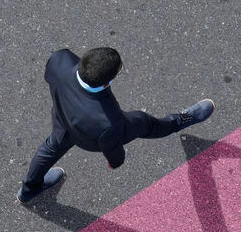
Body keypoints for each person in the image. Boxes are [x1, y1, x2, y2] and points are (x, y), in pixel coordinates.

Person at [17, 46, 214, 203]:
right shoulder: (109, 121)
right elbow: (112, 147)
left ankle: (28, 190)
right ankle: (180, 121)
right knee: (145, 122)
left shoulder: (59, 59)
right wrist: (115, 162)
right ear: (106, 84)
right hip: (94, 136)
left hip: (63, 119)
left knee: (48, 150)